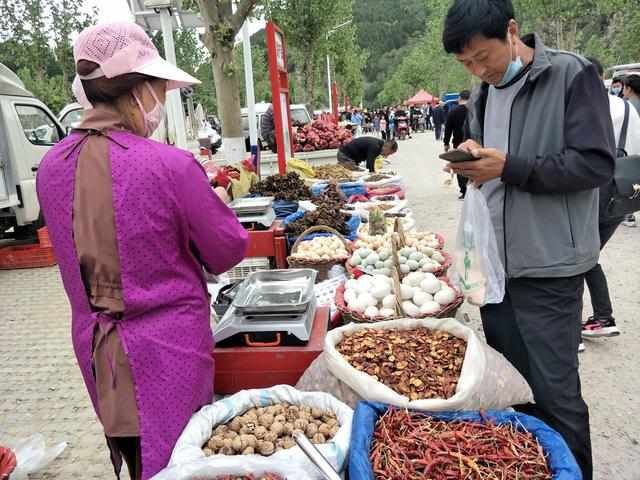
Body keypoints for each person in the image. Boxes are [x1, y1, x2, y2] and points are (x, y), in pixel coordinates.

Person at [36, 22, 249, 480]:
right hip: (167, 352)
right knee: (180, 460)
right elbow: (228, 248)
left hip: (97, 351)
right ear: (139, 91)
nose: (161, 101)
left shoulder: (50, 166)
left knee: (136, 456)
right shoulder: (169, 165)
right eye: (159, 89)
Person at [442, 1, 616, 478]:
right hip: (495, 271)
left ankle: (576, 470)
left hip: (549, 269)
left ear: (512, 32)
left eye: (483, 57)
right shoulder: (482, 93)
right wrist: (473, 159)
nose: (478, 70)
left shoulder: (570, 76)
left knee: (557, 395)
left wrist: (511, 167)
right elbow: (488, 160)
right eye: (466, 64)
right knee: (513, 390)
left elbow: (595, 164)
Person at [580, 58, 640, 343]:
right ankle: (602, 316)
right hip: (626, 191)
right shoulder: (627, 107)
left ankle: (593, 321)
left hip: (597, 190)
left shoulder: (588, 107)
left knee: (579, 256)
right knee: (587, 255)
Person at [444, 89, 471, 199]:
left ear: (459, 98)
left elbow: (448, 129)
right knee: (473, 164)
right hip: (473, 143)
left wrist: (446, 143)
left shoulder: (453, 112)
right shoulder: (474, 110)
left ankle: (464, 190)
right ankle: (474, 187)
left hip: (458, 143)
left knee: (460, 166)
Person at [621, 72, 640, 227]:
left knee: (628, 181)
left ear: (628, 88)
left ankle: (628, 214)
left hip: (631, 149)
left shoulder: (627, 106)